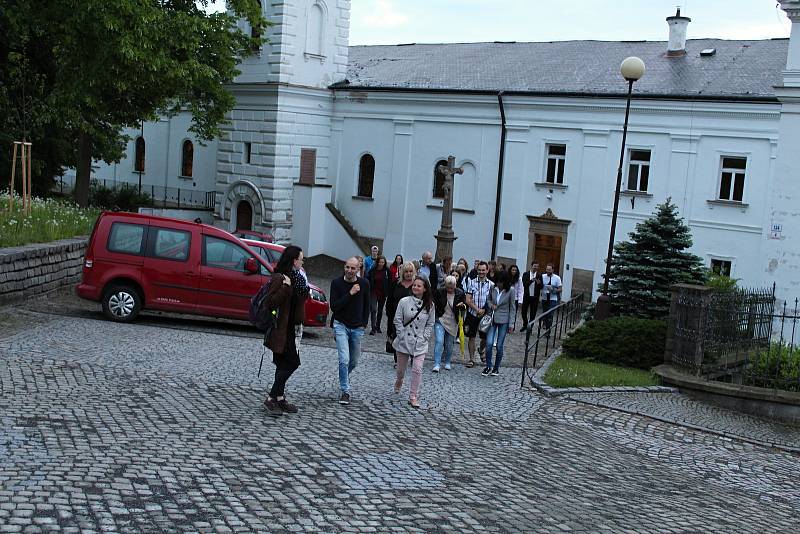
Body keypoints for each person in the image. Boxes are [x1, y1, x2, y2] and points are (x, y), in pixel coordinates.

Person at [263, 245, 309, 416]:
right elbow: (270, 303)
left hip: (291, 328)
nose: (302, 261)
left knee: (282, 364)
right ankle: (271, 398)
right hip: (280, 329)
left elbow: (301, 298)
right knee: (293, 362)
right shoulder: (280, 278)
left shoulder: (297, 277)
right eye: (301, 258)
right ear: (293, 260)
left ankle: (280, 398)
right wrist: (285, 287)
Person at [329, 257, 371, 405]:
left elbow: (367, 305)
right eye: (347, 267)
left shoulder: (364, 284)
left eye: (353, 268)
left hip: (357, 327)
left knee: (353, 361)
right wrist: (350, 293)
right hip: (340, 324)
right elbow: (334, 306)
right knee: (344, 359)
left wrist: (364, 323)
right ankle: (345, 391)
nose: (349, 271)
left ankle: (343, 377)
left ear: (358, 270)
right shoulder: (336, 283)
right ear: (344, 267)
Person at [392, 276, 436, 408]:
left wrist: (425, 336)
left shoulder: (430, 305)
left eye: (419, 286)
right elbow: (397, 319)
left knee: (417, 369)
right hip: (404, 340)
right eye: (414, 285)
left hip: (420, 342)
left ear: (425, 289)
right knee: (401, 370)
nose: (415, 287)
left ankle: (413, 396)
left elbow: (430, 323)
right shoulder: (404, 301)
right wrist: (400, 335)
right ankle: (399, 380)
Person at [483, 271, 516, 377]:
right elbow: (488, 300)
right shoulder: (493, 288)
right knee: (488, 344)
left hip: (504, 320)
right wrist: (491, 305)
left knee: (499, 345)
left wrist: (511, 323)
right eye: (497, 282)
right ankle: (488, 365)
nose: (499, 284)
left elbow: (512, 308)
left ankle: (496, 368)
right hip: (492, 318)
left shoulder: (510, 290)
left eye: (501, 282)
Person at [432, 275, 466, 372]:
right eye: (447, 287)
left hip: (453, 321)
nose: (450, 289)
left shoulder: (460, 293)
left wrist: (462, 305)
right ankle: (437, 363)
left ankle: (447, 362)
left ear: (455, 285)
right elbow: (434, 303)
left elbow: (464, 306)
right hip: (441, 319)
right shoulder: (439, 292)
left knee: (449, 344)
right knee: (439, 341)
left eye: (451, 288)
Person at [464, 261, 494, 368]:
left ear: (487, 270)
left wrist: (485, 310)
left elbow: (492, 301)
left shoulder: (491, 285)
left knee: (485, 338)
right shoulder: (471, 282)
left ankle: (481, 350)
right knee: (471, 337)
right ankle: (471, 359)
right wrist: (477, 309)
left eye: (483, 270)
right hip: (473, 313)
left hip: (485, 316)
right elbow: (468, 299)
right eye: (479, 270)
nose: (481, 272)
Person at [386, 262, 417, 366]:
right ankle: (397, 360)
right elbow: (390, 300)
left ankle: (413, 357)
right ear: (402, 272)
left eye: (410, 271)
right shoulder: (396, 284)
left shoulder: (417, 285)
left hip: (413, 317)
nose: (408, 273)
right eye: (406, 271)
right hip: (397, 316)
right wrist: (389, 315)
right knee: (397, 337)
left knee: (412, 338)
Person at [368, 255, 389, 334]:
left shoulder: (387, 271)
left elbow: (389, 282)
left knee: (380, 310)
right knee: (373, 309)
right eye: (380, 262)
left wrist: (387, 292)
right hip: (373, 292)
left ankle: (378, 326)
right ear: (377, 262)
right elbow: (369, 279)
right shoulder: (373, 270)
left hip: (382, 293)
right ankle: (373, 328)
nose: (381, 263)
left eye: (383, 262)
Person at [540, 263, 563, 332]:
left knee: (550, 314)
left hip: (553, 298)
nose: (547, 271)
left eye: (549, 270)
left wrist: (554, 290)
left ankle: (548, 330)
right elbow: (539, 285)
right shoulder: (542, 276)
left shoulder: (557, 278)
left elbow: (560, 289)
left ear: (553, 270)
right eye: (547, 269)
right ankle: (545, 323)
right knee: (545, 312)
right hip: (544, 298)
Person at [521, 261, 543, 332]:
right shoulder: (526, 274)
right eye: (534, 266)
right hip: (527, 296)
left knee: (533, 313)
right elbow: (524, 285)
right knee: (523, 312)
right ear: (531, 266)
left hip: (535, 297)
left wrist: (539, 283)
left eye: (537, 266)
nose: (535, 267)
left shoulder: (539, 275)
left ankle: (530, 328)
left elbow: (541, 287)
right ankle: (525, 324)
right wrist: (531, 281)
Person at [507, 264, 523, 333]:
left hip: (515, 299)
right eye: (513, 270)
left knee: (513, 313)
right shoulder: (507, 277)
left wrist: (520, 300)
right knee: (507, 312)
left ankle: (512, 327)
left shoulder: (519, 278)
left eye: (515, 270)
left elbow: (520, 290)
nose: (514, 271)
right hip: (507, 298)